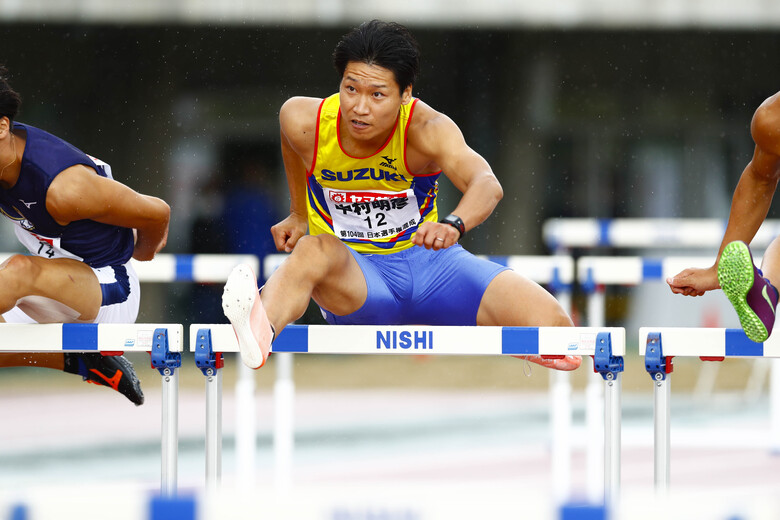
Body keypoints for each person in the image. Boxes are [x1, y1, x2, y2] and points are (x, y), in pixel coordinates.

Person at [222, 20, 579, 371]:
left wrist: (454, 224)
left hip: (432, 268)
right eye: (351, 89)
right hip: (357, 277)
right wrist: (298, 213)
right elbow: (291, 145)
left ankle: (481, 330)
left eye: (377, 94)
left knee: (557, 330)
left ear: (405, 93)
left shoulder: (426, 129)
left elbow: (487, 183)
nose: (360, 108)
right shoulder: (303, 120)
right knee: (314, 250)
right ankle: (259, 327)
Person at [0, 66, 171, 404]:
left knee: (18, 271)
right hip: (49, 283)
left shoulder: (64, 189)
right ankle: (82, 361)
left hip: (107, 288)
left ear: (2, 127)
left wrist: (143, 252)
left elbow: (157, 212)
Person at [667, 91, 780, 343]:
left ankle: (768, 295)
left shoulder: (773, 118)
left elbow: (761, 180)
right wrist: (719, 268)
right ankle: (766, 295)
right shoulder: (771, 119)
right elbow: (761, 179)